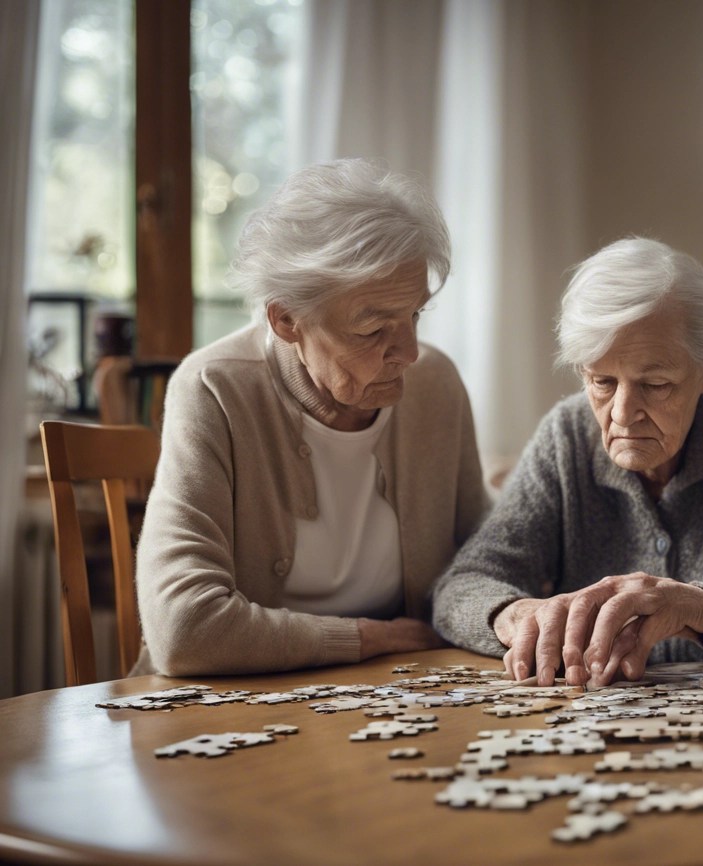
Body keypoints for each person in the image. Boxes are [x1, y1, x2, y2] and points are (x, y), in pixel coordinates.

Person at [432, 237, 703, 688]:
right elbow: (464, 585)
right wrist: (520, 616)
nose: (623, 413)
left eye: (656, 383)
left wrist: (698, 606)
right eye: (602, 381)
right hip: (593, 726)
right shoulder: (566, 434)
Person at [134, 159, 490, 676]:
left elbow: (483, 561)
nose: (409, 352)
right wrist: (367, 638)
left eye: (414, 314)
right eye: (373, 330)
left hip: (399, 701)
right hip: (223, 709)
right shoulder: (214, 389)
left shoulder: (435, 386)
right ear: (286, 320)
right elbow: (185, 630)